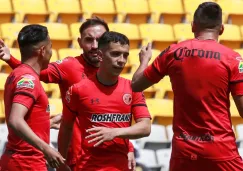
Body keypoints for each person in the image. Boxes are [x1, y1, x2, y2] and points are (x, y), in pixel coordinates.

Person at [0, 17, 136, 171]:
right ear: (79, 42)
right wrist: (10, 59)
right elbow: (35, 70)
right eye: (88, 40)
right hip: (77, 159)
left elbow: (114, 117)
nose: (94, 46)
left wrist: (129, 146)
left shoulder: (115, 77)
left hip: (110, 159)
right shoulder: (70, 66)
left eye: (99, 40)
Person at [131, 2, 243, 171]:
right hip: (220, 149)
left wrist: (144, 60)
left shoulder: (172, 52)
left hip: (184, 149)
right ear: (221, 29)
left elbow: (136, 85)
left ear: (192, 26)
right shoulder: (233, 59)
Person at [59, 31, 151, 171]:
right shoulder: (78, 90)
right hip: (88, 167)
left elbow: (145, 127)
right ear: (100, 55)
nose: (121, 60)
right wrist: (61, 162)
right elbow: (66, 127)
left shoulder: (132, 88)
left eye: (125, 55)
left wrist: (114, 132)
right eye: (115, 54)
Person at [0, 24, 65, 171]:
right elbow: (15, 120)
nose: (51, 52)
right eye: (51, 47)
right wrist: (47, 148)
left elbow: (22, 121)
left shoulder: (18, 74)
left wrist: (46, 124)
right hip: (26, 163)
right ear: (42, 51)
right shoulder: (28, 79)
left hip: (16, 160)